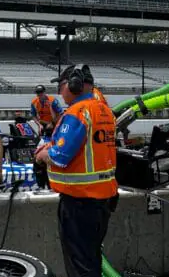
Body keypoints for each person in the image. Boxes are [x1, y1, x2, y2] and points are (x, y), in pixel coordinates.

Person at [35, 64, 118, 277]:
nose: (59, 92)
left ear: (74, 84)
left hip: (79, 203)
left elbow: (60, 156)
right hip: (103, 200)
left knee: (80, 267)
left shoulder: (77, 112)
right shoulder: (104, 110)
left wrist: (43, 154)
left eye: (61, 86)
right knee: (91, 260)